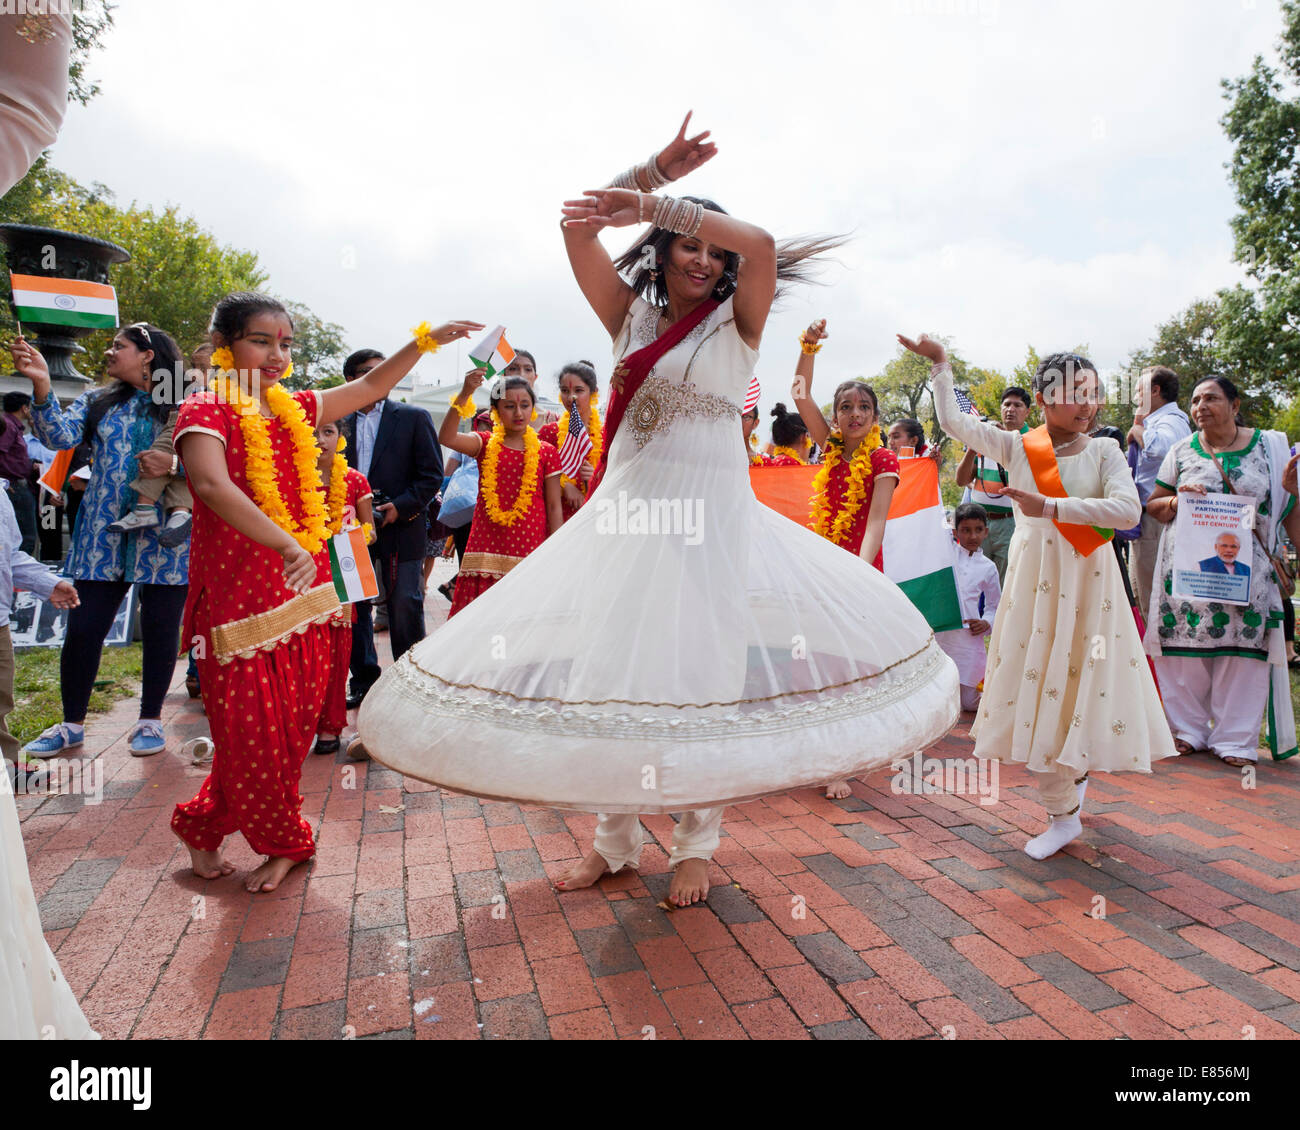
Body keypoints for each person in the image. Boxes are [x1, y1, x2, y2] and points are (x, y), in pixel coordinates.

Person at [355, 114, 958, 907]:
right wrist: (649, 174)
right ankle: (613, 842)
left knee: (700, 673)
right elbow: (575, 232)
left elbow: (766, 246)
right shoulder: (631, 319)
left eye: (714, 249)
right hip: (624, 522)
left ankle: (695, 844)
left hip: (712, 529)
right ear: (663, 255)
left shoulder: (739, 323)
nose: (704, 258)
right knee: (613, 670)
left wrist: (662, 207)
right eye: (689, 245)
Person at [169, 291, 480, 892]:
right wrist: (286, 544)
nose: (276, 355)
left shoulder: (296, 408)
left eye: (285, 343)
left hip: (306, 598)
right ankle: (286, 841)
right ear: (223, 347)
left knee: (288, 732)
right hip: (242, 603)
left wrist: (423, 342)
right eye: (261, 341)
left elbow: (365, 390)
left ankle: (203, 826)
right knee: (251, 733)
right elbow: (209, 483)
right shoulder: (206, 410)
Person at [916, 333, 1175, 859]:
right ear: (1043, 399)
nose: (1087, 403)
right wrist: (942, 365)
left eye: (1094, 392)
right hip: (1036, 591)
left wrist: (1051, 507)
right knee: (1041, 690)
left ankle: (1074, 777)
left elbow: (1127, 512)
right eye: (1074, 392)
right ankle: (1061, 814)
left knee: (1082, 684)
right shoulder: (1017, 446)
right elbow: (955, 425)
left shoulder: (1104, 450)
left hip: (1091, 588)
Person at [11, 324, 190, 759]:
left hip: (167, 538)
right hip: (101, 537)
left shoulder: (188, 402)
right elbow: (59, 437)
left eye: (119, 347)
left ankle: (149, 720)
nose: (110, 353)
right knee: (84, 630)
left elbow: (223, 458)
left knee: (161, 631)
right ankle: (71, 724)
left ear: (147, 355)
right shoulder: (97, 400)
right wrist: (41, 384)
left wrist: (175, 462)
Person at [1144, 375, 1300, 766]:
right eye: (1196, 400)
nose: (1200, 407)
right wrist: (1178, 503)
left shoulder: (1271, 447)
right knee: (1185, 654)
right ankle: (1188, 731)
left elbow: (1288, 509)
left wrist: (1293, 492)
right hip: (1188, 574)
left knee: (1243, 654)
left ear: (1235, 404)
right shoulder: (1181, 451)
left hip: (1248, 575)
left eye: (1211, 398)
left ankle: (1234, 740)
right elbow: (1154, 504)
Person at [790, 317, 900, 799]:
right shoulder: (830, 446)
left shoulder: (883, 460)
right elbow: (799, 394)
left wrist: (856, 569)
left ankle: (843, 761)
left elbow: (876, 519)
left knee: (850, 664)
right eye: (845, 407)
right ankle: (818, 749)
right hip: (821, 565)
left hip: (857, 566)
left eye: (864, 408)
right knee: (818, 659)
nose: (854, 415)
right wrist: (809, 345)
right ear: (834, 416)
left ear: (876, 416)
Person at [338, 348, 444, 707]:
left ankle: (409, 684)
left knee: (404, 604)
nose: (379, 376)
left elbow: (432, 476)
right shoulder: (336, 421)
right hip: (348, 528)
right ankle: (364, 681)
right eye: (369, 372)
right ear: (351, 380)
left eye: (384, 370)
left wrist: (399, 507)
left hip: (403, 526)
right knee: (354, 607)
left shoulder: (413, 417)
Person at [440, 372, 562, 615]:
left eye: (524, 405)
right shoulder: (485, 443)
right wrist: (465, 393)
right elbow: (447, 437)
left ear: (533, 408)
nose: (518, 413)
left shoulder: (546, 452)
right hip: (486, 543)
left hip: (528, 543)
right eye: (509, 406)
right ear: (495, 410)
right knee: (478, 619)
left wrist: (557, 550)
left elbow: (553, 506)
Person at [313, 419, 374, 756]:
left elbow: (370, 531)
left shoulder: (354, 480)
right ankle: (298, 723)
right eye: (313, 432)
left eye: (329, 432)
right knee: (304, 653)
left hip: (341, 575)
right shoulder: (289, 475)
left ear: (341, 438)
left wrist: (347, 539)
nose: (320, 440)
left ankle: (328, 726)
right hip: (301, 573)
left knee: (336, 655)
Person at [1126, 366, 1191, 612]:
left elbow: (1164, 450)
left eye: (1139, 390)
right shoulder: (1158, 421)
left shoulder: (1171, 421)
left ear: (1155, 391)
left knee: (1155, 601)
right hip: (1146, 523)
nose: (1134, 398)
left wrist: (1139, 430)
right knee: (1143, 595)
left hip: (1157, 522)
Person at [955, 386, 1033, 583]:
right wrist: (974, 447)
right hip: (979, 523)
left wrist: (1005, 441)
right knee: (972, 580)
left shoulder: (1034, 440)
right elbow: (961, 480)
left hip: (1012, 521)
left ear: (1028, 411)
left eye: (1017, 405)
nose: (1010, 409)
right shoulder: (987, 438)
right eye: (1006, 404)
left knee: (1007, 583)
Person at [936, 502, 1001, 712]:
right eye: (966, 530)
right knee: (939, 694)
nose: (972, 536)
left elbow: (994, 605)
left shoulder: (989, 568)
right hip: (940, 636)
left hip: (968, 641)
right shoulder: (946, 555)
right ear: (956, 532)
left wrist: (986, 622)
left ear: (986, 532)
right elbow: (935, 523)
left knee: (970, 704)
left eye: (978, 530)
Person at [538, 361, 602, 522]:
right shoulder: (549, 433)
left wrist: (593, 478)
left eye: (578, 390)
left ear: (594, 393)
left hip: (596, 517)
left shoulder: (606, 434)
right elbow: (534, 476)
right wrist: (564, 485)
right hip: (557, 517)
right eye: (565, 390)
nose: (571, 397)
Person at [0, 391, 40, 556]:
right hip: (14, 486)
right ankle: (19, 577)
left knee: (44, 529)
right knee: (25, 535)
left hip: (36, 490)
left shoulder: (14, 427)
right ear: (24, 409)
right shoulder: (9, 426)